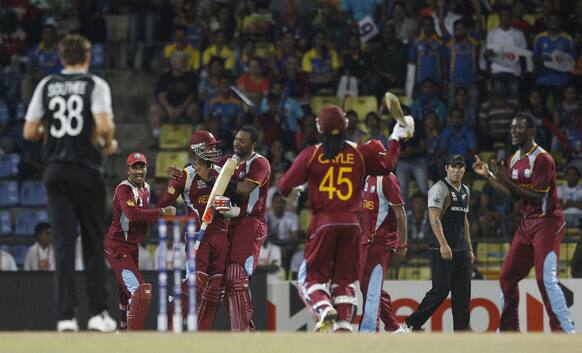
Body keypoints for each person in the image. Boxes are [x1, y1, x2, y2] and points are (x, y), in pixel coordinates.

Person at [278, 105, 414, 332]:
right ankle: (343, 329)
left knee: (308, 279)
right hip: (353, 226)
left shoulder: (311, 154)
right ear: (346, 126)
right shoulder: (359, 152)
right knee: (344, 283)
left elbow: (284, 186)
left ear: (319, 129)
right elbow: (388, 164)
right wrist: (396, 136)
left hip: (323, 224)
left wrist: (296, 192)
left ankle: (323, 309)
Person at [23, 34, 118, 332]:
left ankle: (66, 317)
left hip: (54, 171)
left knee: (62, 245)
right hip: (86, 169)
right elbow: (103, 126)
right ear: (88, 58)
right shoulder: (95, 85)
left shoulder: (47, 85)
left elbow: (29, 132)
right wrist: (109, 143)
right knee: (92, 241)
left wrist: (48, 132)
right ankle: (98, 313)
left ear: (61, 58)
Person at [472, 113, 575, 333]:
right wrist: (489, 175)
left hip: (548, 221)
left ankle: (564, 329)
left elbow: (537, 197)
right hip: (527, 223)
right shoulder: (514, 158)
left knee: (544, 278)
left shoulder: (543, 159)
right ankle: (509, 330)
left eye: (518, 128)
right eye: (512, 129)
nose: (513, 132)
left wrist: (505, 179)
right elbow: (512, 195)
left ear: (530, 131)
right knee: (507, 277)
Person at [158, 130, 230, 330]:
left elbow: (234, 193)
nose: (214, 150)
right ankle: (172, 324)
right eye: (210, 146)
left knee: (216, 287)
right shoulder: (186, 175)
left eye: (215, 146)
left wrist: (210, 179)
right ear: (198, 150)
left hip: (221, 234)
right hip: (198, 235)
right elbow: (164, 204)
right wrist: (173, 182)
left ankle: (201, 332)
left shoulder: (222, 172)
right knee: (196, 281)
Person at [396, 154, 474, 333]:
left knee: (463, 293)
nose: (457, 170)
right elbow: (433, 217)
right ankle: (411, 324)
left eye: (460, 167)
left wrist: (469, 247)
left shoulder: (465, 190)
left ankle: (462, 331)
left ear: (464, 169)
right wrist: (443, 244)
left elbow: (464, 220)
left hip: (461, 249)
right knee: (440, 291)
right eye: (453, 166)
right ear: (446, 168)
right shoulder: (439, 188)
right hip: (441, 248)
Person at [104, 152, 176, 331]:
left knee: (126, 291)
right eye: (134, 167)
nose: (138, 171)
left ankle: (123, 328)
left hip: (132, 246)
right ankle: (133, 337)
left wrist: (173, 189)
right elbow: (132, 214)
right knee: (139, 292)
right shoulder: (123, 189)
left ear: (147, 167)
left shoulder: (147, 188)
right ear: (127, 169)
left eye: (141, 166)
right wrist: (161, 212)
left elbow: (146, 217)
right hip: (117, 245)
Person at [215, 125, 272, 331]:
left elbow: (245, 188)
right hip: (227, 223)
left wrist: (220, 180)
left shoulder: (260, 163)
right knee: (221, 283)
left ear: (252, 144)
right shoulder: (228, 162)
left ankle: (242, 333)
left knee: (236, 276)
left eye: (242, 141)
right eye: (236, 139)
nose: (237, 143)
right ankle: (245, 329)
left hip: (251, 223)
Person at [359, 167, 408, 333]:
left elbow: (400, 213)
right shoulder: (368, 176)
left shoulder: (387, 179)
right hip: (368, 240)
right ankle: (393, 327)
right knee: (369, 286)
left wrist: (403, 243)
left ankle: (369, 330)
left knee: (370, 287)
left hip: (381, 242)